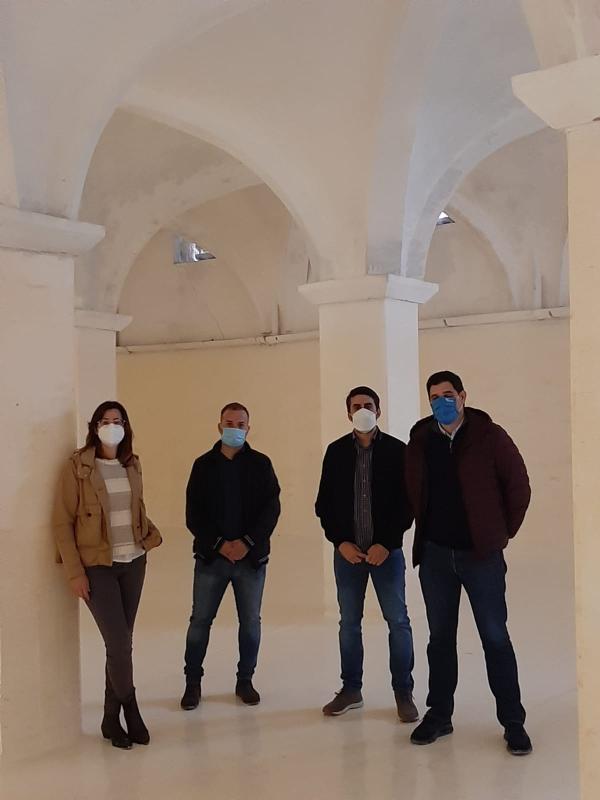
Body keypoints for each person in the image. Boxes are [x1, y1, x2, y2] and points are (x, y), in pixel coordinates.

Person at [405, 371, 532, 755]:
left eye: (448, 394)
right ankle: (439, 715)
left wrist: (499, 534)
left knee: (495, 637)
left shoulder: (490, 436)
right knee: (440, 639)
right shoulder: (421, 439)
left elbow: (518, 487)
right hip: (436, 556)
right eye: (434, 397)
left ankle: (513, 722)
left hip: (481, 556)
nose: (441, 402)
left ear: (462, 396)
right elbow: (411, 487)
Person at [53, 401, 162, 749]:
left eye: (118, 420)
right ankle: (130, 708)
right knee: (118, 643)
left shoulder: (132, 463)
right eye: (104, 420)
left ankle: (109, 718)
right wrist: (75, 573)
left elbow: (136, 508)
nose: (111, 426)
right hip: (97, 566)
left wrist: (149, 536)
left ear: (126, 426)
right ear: (94, 427)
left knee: (121, 644)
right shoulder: (78, 467)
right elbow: (62, 522)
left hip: (134, 562)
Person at [316, 386, 418, 721]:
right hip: (348, 556)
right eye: (357, 406)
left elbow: (408, 503)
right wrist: (340, 542)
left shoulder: (398, 451)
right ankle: (351, 689)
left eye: (369, 405)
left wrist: (386, 543)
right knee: (349, 623)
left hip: (386, 555)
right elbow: (324, 504)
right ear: (348, 413)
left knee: (398, 621)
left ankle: (403, 692)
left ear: (379, 411)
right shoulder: (335, 452)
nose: (363, 410)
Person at [181, 402, 281, 709]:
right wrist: (220, 544)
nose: (234, 429)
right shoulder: (203, 465)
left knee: (250, 622)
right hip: (211, 559)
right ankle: (193, 683)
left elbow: (271, 509)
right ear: (219, 426)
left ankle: (245, 680)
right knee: (200, 621)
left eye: (240, 424)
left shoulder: (261, 464)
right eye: (229, 423)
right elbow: (193, 514)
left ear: (248, 428)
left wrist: (247, 543)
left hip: (251, 560)